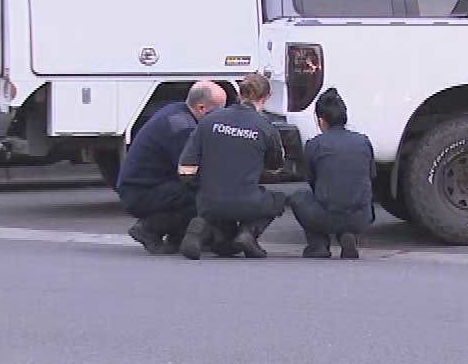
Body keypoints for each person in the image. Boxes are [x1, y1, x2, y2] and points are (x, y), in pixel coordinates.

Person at [177, 73, 287, 261]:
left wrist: (201, 190)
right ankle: (248, 233)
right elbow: (275, 166)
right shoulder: (265, 127)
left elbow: (186, 168)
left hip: (209, 201)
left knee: (220, 230)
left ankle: (201, 226)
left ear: (239, 93)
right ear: (266, 98)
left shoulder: (209, 120)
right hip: (248, 201)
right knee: (278, 199)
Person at [117, 80, 226, 254]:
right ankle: (148, 229)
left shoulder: (177, 110)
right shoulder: (182, 128)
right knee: (203, 195)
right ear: (201, 108)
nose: (221, 117)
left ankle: (178, 236)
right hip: (141, 191)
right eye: (219, 111)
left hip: (145, 185)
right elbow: (191, 170)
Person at [287, 89, 374, 260]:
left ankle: (318, 245)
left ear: (321, 121)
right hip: (362, 216)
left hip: (328, 214)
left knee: (299, 197)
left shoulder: (314, 145)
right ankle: (346, 235)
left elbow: (312, 181)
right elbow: (370, 175)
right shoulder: (363, 141)